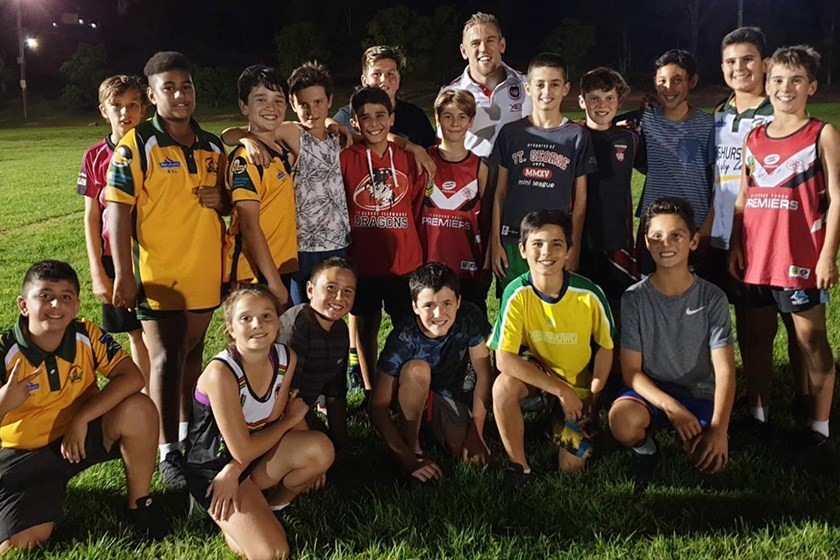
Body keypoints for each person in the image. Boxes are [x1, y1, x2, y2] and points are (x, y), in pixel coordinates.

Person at [106, 51, 228, 490]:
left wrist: (221, 199)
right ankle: (167, 450)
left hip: (205, 269)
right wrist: (123, 273)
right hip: (158, 272)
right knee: (164, 358)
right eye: (169, 88)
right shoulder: (137, 143)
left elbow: (230, 201)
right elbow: (117, 211)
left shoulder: (213, 146)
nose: (180, 95)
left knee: (191, 354)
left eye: (186, 86)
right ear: (152, 96)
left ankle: (188, 433)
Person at [0, 261, 168, 550]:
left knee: (139, 409)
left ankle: (139, 504)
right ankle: (39, 497)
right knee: (19, 545)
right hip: (23, 453)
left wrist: (81, 418)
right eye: (45, 295)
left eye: (66, 296)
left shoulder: (86, 334)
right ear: (24, 305)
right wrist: (5, 402)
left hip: (79, 436)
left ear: (76, 305)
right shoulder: (5, 350)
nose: (56, 304)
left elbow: (132, 377)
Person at [729, 45, 840, 466]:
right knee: (756, 338)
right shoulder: (754, 137)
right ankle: (759, 415)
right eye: (777, 80)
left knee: (811, 340)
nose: (785, 88)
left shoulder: (822, 134)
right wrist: (737, 243)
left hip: (799, 259)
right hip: (756, 258)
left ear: (811, 86)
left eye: (796, 80)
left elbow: (837, 199)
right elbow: (744, 197)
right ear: (767, 83)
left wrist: (827, 256)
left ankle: (819, 427)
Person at [184, 285, 334, 560]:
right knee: (273, 553)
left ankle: (270, 508)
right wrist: (291, 420)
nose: (258, 324)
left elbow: (272, 420)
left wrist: (289, 426)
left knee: (321, 449)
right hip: (215, 469)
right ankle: (217, 506)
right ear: (230, 328)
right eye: (246, 318)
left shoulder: (285, 358)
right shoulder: (221, 373)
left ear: (278, 322)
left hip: (249, 458)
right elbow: (246, 447)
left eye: (267, 316)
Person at [708, 27, 804, 433]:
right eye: (731, 61)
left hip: (772, 238)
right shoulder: (719, 113)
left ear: (765, 64)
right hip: (723, 235)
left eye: (747, 59)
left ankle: (806, 401)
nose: (739, 67)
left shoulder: (779, 112)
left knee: (794, 326)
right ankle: (757, 405)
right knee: (749, 325)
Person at [609, 198, 736, 491]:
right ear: (646, 242)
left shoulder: (712, 297)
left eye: (676, 235)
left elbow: (725, 370)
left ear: (693, 241)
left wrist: (719, 428)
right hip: (653, 393)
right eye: (656, 236)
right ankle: (646, 449)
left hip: (699, 393)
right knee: (622, 422)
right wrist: (672, 407)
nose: (665, 243)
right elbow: (631, 372)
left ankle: (701, 429)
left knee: (709, 461)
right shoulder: (634, 298)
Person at [489, 210, 614, 486]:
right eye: (537, 244)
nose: (547, 252)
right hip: (541, 380)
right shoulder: (516, 292)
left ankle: (552, 422)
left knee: (571, 468)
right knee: (503, 387)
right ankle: (519, 467)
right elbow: (504, 359)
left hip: (577, 390)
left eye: (557, 244)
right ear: (522, 250)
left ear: (569, 250)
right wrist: (560, 391)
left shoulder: (589, 294)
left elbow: (605, 348)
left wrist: (593, 399)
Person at [222, 61, 352, 307]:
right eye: (303, 104)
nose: (312, 110)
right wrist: (246, 139)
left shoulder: (338, 137)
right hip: (302, 245)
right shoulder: (292, 133)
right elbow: (229, 134)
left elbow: (370, 137)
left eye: (318, 102)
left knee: (332, 308)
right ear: (293, 105)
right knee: (299, 314)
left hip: (337, 240)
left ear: (330, 101)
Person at [369, 263, 492, 482]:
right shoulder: (404, 337)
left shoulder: (469, 317)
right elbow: (377, 405)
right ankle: (412, 445)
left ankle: (431, 423)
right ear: (415, 306)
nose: (438, 313)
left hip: (447, 393)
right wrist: (408, 459)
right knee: (417, 369)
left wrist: (476, 431)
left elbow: (484, 373)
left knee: (464, 452)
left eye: (447, 304)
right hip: (411, 389)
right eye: (428, 305)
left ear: (458, 301)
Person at [340, 87, 427, 392]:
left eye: (381, 115)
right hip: (363, 261)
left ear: (392, 119)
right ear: (354, 122)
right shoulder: (344, 158)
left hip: (404, 261)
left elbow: (417, 206)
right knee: (366, 326)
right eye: (365, 117)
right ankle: (370, 388)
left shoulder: (409, 158)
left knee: (406, 327)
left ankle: (403, 387)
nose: (374, 123)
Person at [489, 52, 596, 294]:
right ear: (528, 88)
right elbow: (500, 193)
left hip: (555, 245)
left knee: (551, 308)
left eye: (554, 84)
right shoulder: (511, 133)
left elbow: (581, 201)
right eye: (540, 84)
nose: (547, 91)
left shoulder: (576, 136)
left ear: (565, 88)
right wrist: (495, 243)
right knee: (514, 306)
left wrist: (574, 247)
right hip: (513, 240)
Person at [76, 75, 151, 391]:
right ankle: (148, 398)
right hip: (113, 257)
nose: (125, 112)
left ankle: (169, 398)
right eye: (116, 105)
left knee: (161, 331)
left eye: (132, 104)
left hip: (154, 255)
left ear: (144, 108)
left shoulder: (154, 148)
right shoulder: (94, 156)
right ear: (103, 110)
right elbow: (92, 217)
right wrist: (97, 273)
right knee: (136, 332)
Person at [633, 49, 715, 274]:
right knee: (649, 287)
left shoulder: (708, 125)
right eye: (662, 81)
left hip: (693, 227)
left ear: (693, 81)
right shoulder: (645, 121)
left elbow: (719, 181)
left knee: (693, 290)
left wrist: (707, 227)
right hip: (653, 228)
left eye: (677, 80)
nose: (668, 88)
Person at [224, 65, 297, 308]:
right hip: (256, 273)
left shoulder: (280, 152)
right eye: (261, 99)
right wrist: (272, 281)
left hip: (279, 264)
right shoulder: (248, 159)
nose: (271, 107)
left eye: (278, 100)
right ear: (244, 106)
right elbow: (248, 223)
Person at [577, 67, 643, 316]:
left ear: (619, 101)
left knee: (617, 312)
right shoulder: (573, 136)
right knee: (582, 311)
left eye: (609, 98)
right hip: (581, 240)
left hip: (617, 240)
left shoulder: (630, 138)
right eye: (594, 98)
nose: (602, 105)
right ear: (582, 100)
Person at [278, 258, 357, 455]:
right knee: (322, 452)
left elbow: (335, 393)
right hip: (275, 415)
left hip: (300, 411)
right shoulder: (296, 328)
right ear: (310, 290)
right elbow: (285, 397)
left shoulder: (340, 329)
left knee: (332, 451)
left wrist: (341, 447)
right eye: (331, 288)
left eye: (348, 291)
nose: (339, 297)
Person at [421, 89, 490, 314]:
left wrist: (486, 264)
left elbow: (487, 221)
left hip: (466, 266)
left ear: (471, 121)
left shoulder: (480, 167)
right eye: (448, 116)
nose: (454, 123)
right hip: (427, 264)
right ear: (437, 119)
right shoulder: (423, 160)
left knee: (470, 325)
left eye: (462, 117)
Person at [440, 12, 531, 159]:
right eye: (475, 43)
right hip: (472, 173)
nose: (483, 49)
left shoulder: (529, 86)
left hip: (518, 171)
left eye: (490, 40)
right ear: (464, 51)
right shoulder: (449, 94)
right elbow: (443, 148)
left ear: (502, 45)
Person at [333, 45, 436, 148]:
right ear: (364, 80)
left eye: (390, 74)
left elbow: (431, 151)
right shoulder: (347, 116)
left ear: (398, 80)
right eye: (376, 74)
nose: (384, 79)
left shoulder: (415, 117)